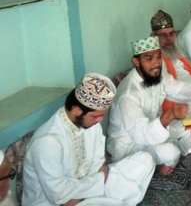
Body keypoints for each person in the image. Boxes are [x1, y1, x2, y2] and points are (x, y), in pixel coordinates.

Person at [107, 37, 191, 176]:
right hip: (130, 146)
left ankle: (182, 153)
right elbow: (141, 135)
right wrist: (170, 115)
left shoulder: (156, 74)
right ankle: (158, 166)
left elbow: (181, 89)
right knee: (170, 153)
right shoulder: (128, 95)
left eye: (158, 57)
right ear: (136, 62)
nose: (156, 63)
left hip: (154, 130)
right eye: (149, 59)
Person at [22, 74, 155, 206]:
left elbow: (99, 165)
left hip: (87, 189)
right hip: (52, 202)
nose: (100, 120)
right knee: (116, 189)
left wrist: (90, 189)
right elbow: (58, 195)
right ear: (76, 110)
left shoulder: (91, 124)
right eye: (96, 116)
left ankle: (111, 199)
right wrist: (99, 181)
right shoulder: (48, 142)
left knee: (145, 160)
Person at [150, 9, 191, 115]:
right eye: (163, 35)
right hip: (176, 109)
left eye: (171, 34)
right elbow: (173, 90)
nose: (169, 38)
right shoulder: (155, 63)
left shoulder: (175, 52)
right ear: (153, 37)